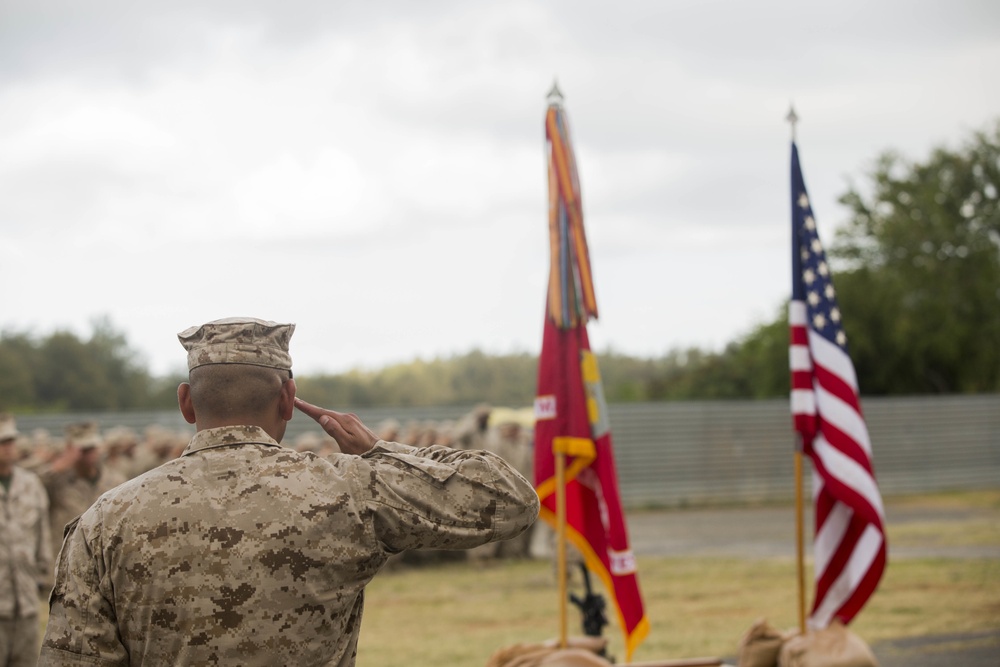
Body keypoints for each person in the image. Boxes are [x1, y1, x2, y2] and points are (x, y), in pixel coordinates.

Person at [39, 317, 539, 666]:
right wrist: (379, 451)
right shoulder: (344, 488)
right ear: (288, 400)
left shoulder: (106, 518)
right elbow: (509, 498)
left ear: (186, 403)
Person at [0, 413, 52, 667]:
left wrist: (46, 577)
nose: (7, 448)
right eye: (2, 442)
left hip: (27, 601)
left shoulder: (30, 484)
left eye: (10, 441)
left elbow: (42, 535)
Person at [39, 421, 127, 563]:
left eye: (91, 449)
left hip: (104, 562)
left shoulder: (115, 481)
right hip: (66, 562)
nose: (88, 455)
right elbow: (31, 487)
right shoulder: (57, 481)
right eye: (83, 450)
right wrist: (56, 468)